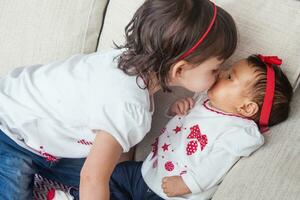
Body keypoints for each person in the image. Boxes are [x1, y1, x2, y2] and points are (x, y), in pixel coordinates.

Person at [0, 0, 237, 199]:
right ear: (180, 69)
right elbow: (92, 178)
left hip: (41, 139)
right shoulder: (128, 103)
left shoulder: (125, 64)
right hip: (8, 129)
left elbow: (117, 145)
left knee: (112, 180)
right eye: (215, 70)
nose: (218, 76)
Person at [107, 55, 293, 200]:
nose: (221, 73)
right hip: (148, 171)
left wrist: (187, 184)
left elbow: (215, 165)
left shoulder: (238, 131)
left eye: (229, 76)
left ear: (246, 107)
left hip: (176, 193)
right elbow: (179, 125)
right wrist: (176, 109)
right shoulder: (204, 98)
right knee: (113, 176)